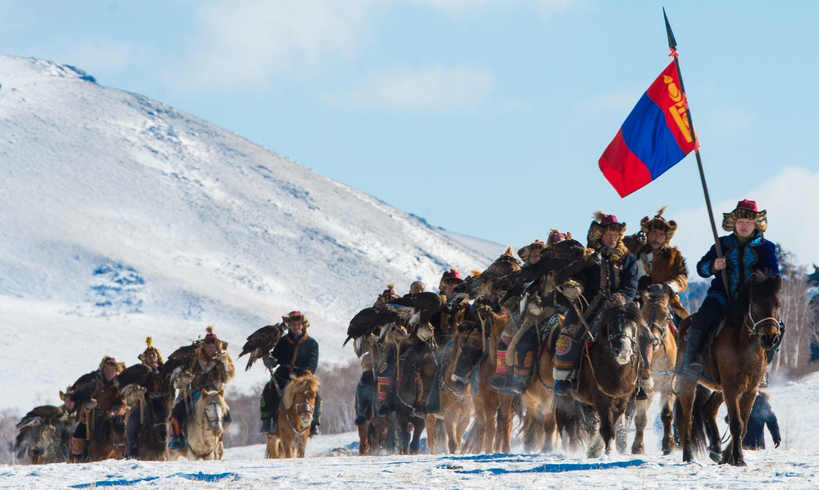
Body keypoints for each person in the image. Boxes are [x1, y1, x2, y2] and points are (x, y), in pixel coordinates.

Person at [679, 200, 779, 380]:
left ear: (756, 224)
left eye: (748, 223)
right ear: (734, 223)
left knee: (775, 326)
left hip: (752, 300)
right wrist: (714, 266)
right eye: (741, 222)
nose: (744, 226)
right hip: (722, 295)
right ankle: (692, 361)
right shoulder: (721, 244)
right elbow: (701, 268)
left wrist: (762, 277)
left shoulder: (766, 247)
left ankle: (764, 367)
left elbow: (773, 274)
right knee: (702, 318)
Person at [553, 212, 640, 396]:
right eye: (609, 234)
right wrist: (575, 287)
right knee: (570, 332)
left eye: (616, 235)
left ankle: (642, 378)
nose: (613, 238)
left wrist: (619, 299)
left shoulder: (629, 259)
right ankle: (566, 376)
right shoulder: (588, 256)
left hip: (620, 305)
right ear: (600, 235)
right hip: (589, 302)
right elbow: (580, 276)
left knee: (644, 334)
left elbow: (631, 284)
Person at [632, 208, 689, 399]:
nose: (656, 238)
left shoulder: (673, 256)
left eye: (661, 235)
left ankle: (686, 372)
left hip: (666, 303)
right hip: (638, 303)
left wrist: (667, 286)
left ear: (666, 237)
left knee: (688, 330)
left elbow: (682, 278)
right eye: (653, 233)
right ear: (647, 235)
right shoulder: (634, 253)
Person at [168, 327, 235, 450]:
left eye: (213, 347)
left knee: (228, 418)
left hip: (214, 396)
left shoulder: (222, 361)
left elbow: (228, 379)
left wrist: (225, 363)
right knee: (177, 412)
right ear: (203, 347)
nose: (211, 349)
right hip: (191, 394)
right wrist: (184, 380)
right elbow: (177, 382)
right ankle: (176, 438)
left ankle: (218, 439)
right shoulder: (192, 359)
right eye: (208, 346)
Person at [260, 311, 320, 435]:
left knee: (316, 396)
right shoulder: (282, 341)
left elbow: (312, 362)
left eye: (298, 324)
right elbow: (276, 357)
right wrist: (270, 360)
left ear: (303, 325)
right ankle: (267, 420)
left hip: (303, 377)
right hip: (283, 374)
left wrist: (305, 375)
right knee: (268, 390)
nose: (296, 327)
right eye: (293, 324)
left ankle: (314, 424)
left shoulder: (312, 343)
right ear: (289, 326)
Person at [355, 285, 400, 426]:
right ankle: (363, 411)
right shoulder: (371, 319)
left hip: (394, 355)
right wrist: (367, 339)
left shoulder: (399, 318)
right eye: (385, 301)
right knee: (366, 380)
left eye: (391, 301)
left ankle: (396, 407)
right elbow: (359, 345)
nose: (388, 304)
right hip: (373, 356)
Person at [68, 356, 125, 462]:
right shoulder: (95, 382)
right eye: (107, 370)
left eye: (112, 370)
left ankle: (128, 455)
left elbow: (122, 403)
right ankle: (79, 460)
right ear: (103, 370)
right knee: (78, 434)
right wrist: (87, 406)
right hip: (92, 417)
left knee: (123, 433)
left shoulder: (119, 386)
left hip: (111, 418)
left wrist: (114, 413)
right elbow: (84, 399)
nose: (109, 372)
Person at [124, 337, 164, 458]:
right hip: (144, 406)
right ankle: (132, 448)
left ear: (158, 357)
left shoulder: (164, 371)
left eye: (154, 354)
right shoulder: (141, 372)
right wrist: (136, 391)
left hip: (162, 406)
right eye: (149, 355)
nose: (152, 357)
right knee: (131, 422)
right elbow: (132, 387)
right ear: (145, 359)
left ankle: (176, 444)